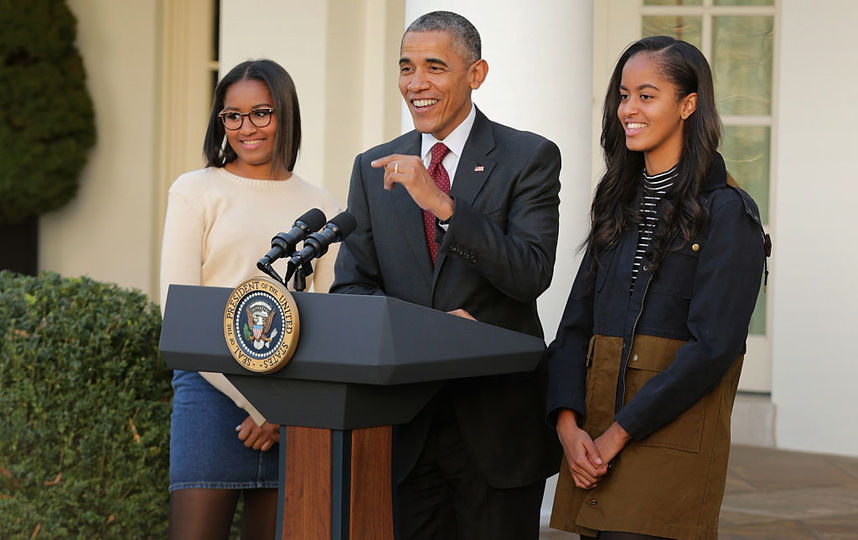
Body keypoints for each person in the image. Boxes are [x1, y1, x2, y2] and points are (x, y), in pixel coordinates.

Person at [331, 10, 562, 540]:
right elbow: (352, 289)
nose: (416, 84)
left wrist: (444, 205)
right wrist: (427, 333)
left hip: (496, 426)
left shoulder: (529, 157)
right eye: (406, 68)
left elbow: (530, 273)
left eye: (434, 67)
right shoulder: (374, 168)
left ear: (476, 74)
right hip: (407, 429)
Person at [546, 36, 769, 539]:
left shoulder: (729, 213)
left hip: (668, 440)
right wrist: (568, 424)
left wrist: (618, 434)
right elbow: (574, 325)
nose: (629, 109)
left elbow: (714, 348)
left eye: (647, 95)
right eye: (623, 95)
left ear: (688, 104)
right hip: (594, 434)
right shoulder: (616, 203)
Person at [159, 59, 340, 539]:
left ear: (285, 113)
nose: (246, 128)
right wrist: (256, 406)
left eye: (261, 113)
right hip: (209, 390)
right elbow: (178, 314)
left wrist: (281, 411)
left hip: (292, 405)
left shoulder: (321, 205)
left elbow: (328, 316)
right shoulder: (195, 191)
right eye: (231, 116)